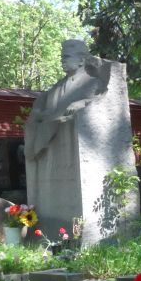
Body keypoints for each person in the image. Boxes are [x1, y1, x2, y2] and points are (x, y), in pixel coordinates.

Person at [24, 39, 108, 231]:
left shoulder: (92, 83)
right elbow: (42, 112)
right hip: (53, 149)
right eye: (62, 57)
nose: (62, 60)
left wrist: (81, 104)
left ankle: (75, 233)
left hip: (73, 144)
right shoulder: (53, 90)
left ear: (82, 60)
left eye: (66, 57)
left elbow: (98, 102)